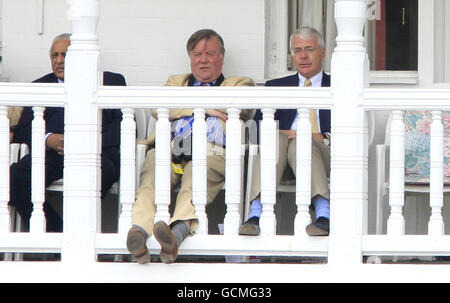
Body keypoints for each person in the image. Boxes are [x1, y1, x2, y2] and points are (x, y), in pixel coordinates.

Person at [127, 29, 255, 264]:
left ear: (221, 58)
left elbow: (241, 104)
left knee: (195, 179)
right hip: (171, 149)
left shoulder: (239, 83)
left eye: (210, 53)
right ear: (190, 58)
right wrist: (208, 110)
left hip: (211, 151)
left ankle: (177, 231)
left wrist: (185, 105)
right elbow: (159, 107)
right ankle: (139, 232)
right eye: (197, 54)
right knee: (152, 178)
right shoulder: (176, 81)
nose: (203, 59)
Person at [9, 33, 125, 232]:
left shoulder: (112, 81)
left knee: (97, 177)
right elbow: (23, 130)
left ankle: (79, 236)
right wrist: (48, 139)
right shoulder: (39, 86)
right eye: (55, 55)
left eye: (65, 54)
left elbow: (122, 127)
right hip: (53, 154)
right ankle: (57, 234)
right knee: (13, 178)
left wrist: (85, 141)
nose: (59, 60)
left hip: (97, 154)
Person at [239, 26, 331, 236]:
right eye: (297, 50)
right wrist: (289, 135)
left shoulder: (337, 85)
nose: (303, 56)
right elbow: (256, 131)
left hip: (323, 154)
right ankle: (256, 214)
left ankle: (324, 214)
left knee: (300, 142)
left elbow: (349, 129)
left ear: (323, 53)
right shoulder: (277, 86)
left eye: (309, 49)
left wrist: (316, 136)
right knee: (277, 138)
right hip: (281, 158)